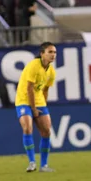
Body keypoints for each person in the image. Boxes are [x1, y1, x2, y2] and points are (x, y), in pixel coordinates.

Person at [15, 42, 57, 173]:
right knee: (27, 128)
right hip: (23, 100)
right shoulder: (34, 65)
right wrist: (33, 109)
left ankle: (43, 165)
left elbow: (45, 90)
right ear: (42, 54)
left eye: (54, 52)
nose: (53, 55)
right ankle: (32, 162)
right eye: (50, 52)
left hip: (39, 102)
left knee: (47, 132)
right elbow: (29, 89)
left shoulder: (51, 71)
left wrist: (43, 105)